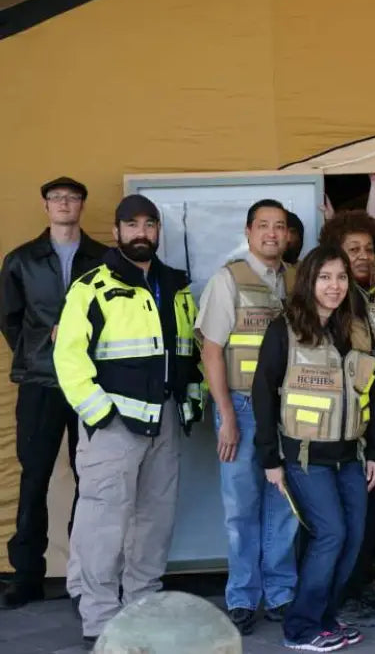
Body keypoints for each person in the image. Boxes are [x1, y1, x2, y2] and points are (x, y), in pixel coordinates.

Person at [53, 194, 203, 646]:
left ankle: (143, 604)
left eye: (149, 225)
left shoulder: (175, 286)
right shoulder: (91, 286)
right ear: (116, 232)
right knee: (104, 522)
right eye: (131, 225)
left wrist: (192, 398)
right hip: (113, 426)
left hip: (165, 423)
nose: (142, 232)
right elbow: (68, 357)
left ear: (159, 231)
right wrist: (98, 413)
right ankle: (98, 616)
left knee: (155, 520)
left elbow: (186, 353)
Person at [252, 245, 375, 652]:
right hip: (305, 455)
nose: (334, 286)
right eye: (326, 277)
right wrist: (269, 458)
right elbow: (264, 393)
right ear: (310, 280)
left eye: (342, 278)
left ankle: (326, 616)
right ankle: (301, 626)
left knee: (353, 535)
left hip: (351, 455)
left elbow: (373, 394)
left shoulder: (357, 329)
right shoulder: (285, 328)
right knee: (330, 534)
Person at [0, 177, 107, 610]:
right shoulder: (21, 260)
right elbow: (10, 320)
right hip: (40, 382)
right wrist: (44, 347)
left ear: (82, 205)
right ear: (46, 207)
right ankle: (27, 574)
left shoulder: (104, 258)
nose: (65, 205)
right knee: (34, 477)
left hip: (93, 383)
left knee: (93, 479)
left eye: (73, 198)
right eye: (57, 199)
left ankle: (87, 570)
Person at [195, 200, 298, 634]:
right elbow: (212, 349)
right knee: (241, 507)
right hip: (239, 406)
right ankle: (242, 597)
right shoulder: (228, 279)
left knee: (285, 505)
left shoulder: (296, 281)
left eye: (280, 227)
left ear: (289, 234)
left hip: (289, 408)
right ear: (249, 231)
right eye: (263, 226)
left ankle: (281, 594)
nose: (272, 234)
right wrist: (226, 416)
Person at [317, 209, 375, 628]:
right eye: (354, 250)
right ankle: (340, 598)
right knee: (345, 519)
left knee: (367, 512)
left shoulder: (366, 299)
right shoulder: (337, 307)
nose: (364, 256)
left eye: (369, 248)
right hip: (343, 426)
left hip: (369, 420)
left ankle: (351, 590)